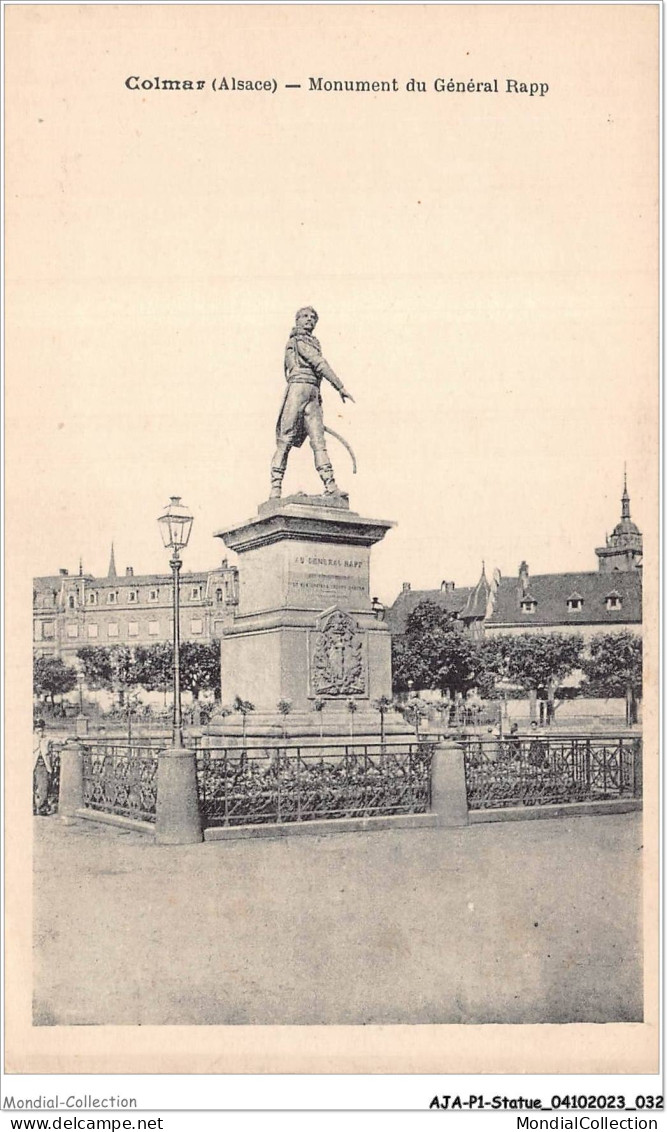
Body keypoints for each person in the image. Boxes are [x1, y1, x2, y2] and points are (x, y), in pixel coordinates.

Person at [270, 307, 354, 499]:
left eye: (313, 318)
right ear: (297, 320)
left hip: (313, 394)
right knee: (285, 441)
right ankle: (275, 489)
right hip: (298, 390)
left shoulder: (313, 342)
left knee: (319, 442)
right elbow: (319, 363)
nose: (309, 320)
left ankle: (330, 485)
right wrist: (339, 386)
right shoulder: (298, 340)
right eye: (305, 316)